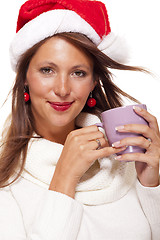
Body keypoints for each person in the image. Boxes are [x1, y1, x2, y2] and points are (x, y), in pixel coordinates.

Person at [0, 0, 160, 239]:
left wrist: (150, 184)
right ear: (24, 77)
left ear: (94, 81)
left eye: (78, 73)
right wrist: (64, 177)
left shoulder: (123, 158)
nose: (63, 89)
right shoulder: (7, 178)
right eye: (47, 70)